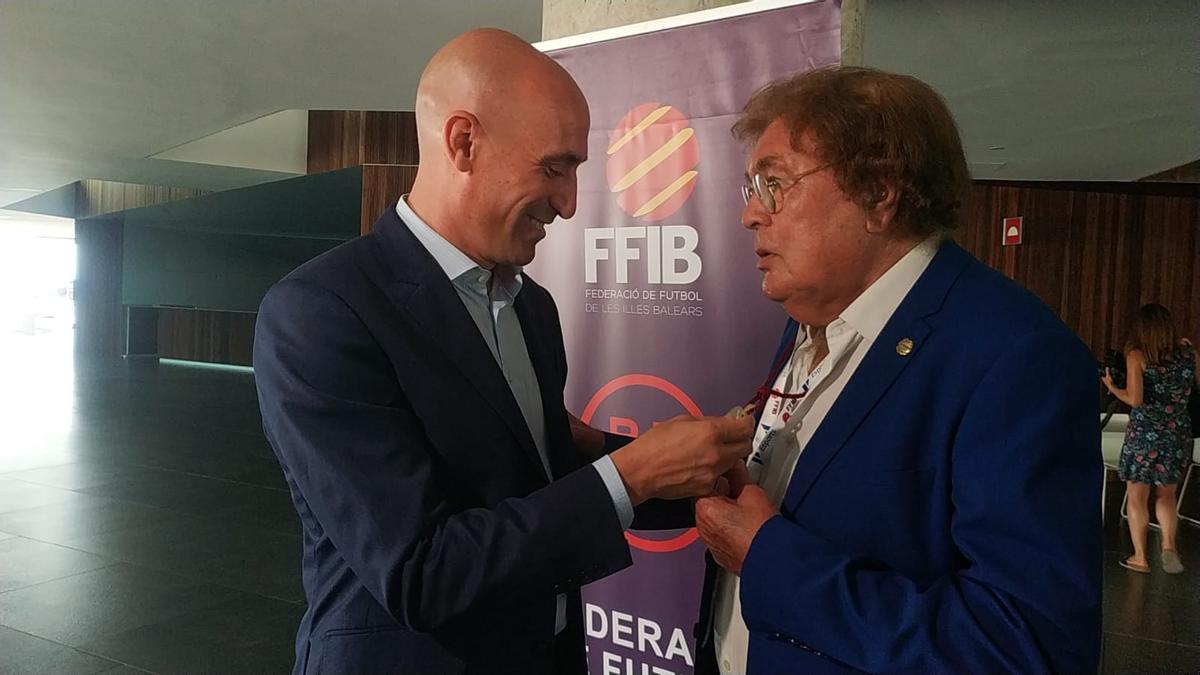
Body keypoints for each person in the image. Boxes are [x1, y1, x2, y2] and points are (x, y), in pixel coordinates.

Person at [253, 29, 753, 675]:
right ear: (463, 142)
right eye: (555, 167)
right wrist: (637, 473)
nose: (570, 204)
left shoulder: (532, 307)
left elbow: (534, 484)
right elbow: (420, 574)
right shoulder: (323, 311)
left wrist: (703, 481)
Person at [691, 66, 1102, 673]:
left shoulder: (1016, 358)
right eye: (751, 188)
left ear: (880, 194)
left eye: (773, 183)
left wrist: (771, 559)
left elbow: (1026, 648)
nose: (752, 214)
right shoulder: (809, 322)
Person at [1103, 303, 1198, 575]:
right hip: (1176, 433)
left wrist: (1113, 388)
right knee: (1166, 495)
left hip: (1144, 434)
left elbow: (1135, 399)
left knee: (1136, 495)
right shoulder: (1189, 355)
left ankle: (1140, 557)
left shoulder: (1137, 356)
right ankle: (1168, 546)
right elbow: (1195, 385)